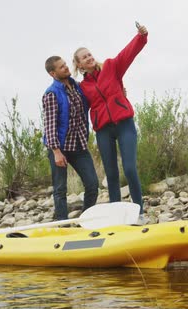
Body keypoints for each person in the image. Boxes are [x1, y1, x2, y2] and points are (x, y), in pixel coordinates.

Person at [72, 23, 148, 219]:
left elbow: (127, 54)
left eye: (89, 54)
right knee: (112, 175)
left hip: (124, 125)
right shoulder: (82, 88)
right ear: (79, 65)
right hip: (103, 131)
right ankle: (116, 216)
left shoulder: (111, 67)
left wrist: (141, 36)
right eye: (84, 57)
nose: (89, 58)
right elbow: (77, 108)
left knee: (130, 169)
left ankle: (139, 212)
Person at [42, 55, 99, 221]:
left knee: (92, 185)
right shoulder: (51, 94)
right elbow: (50, 125)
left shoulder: (77, 87)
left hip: (79, 146)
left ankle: (84, 221)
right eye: (61, 67)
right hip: (60, 148)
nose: (66, 68)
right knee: (60, 190)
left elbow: (95, 96)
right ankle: (63, 226)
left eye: (65, 64)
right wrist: (56, 152)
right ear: (53, 73)